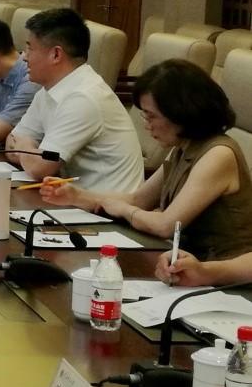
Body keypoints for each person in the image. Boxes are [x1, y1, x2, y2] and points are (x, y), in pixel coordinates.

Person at [37, 59, 252, 259]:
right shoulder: (183, 147)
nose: (147, 125)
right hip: (183, 263)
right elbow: (139, 200)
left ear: (181, 112)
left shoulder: (218, 154)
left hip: (221, 273)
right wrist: (77, 196)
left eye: (152, 116)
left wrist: (124, 210)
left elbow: (166, 225)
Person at [6, 8, 143, 192]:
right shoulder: (49, 89)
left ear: (56, 54)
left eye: (30, 48)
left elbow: (39, 168)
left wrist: (24, 145)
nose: (24, 56)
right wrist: (29, 151)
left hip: (105, 206)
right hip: (70, 198)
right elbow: (10, 145)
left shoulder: (84, 97)